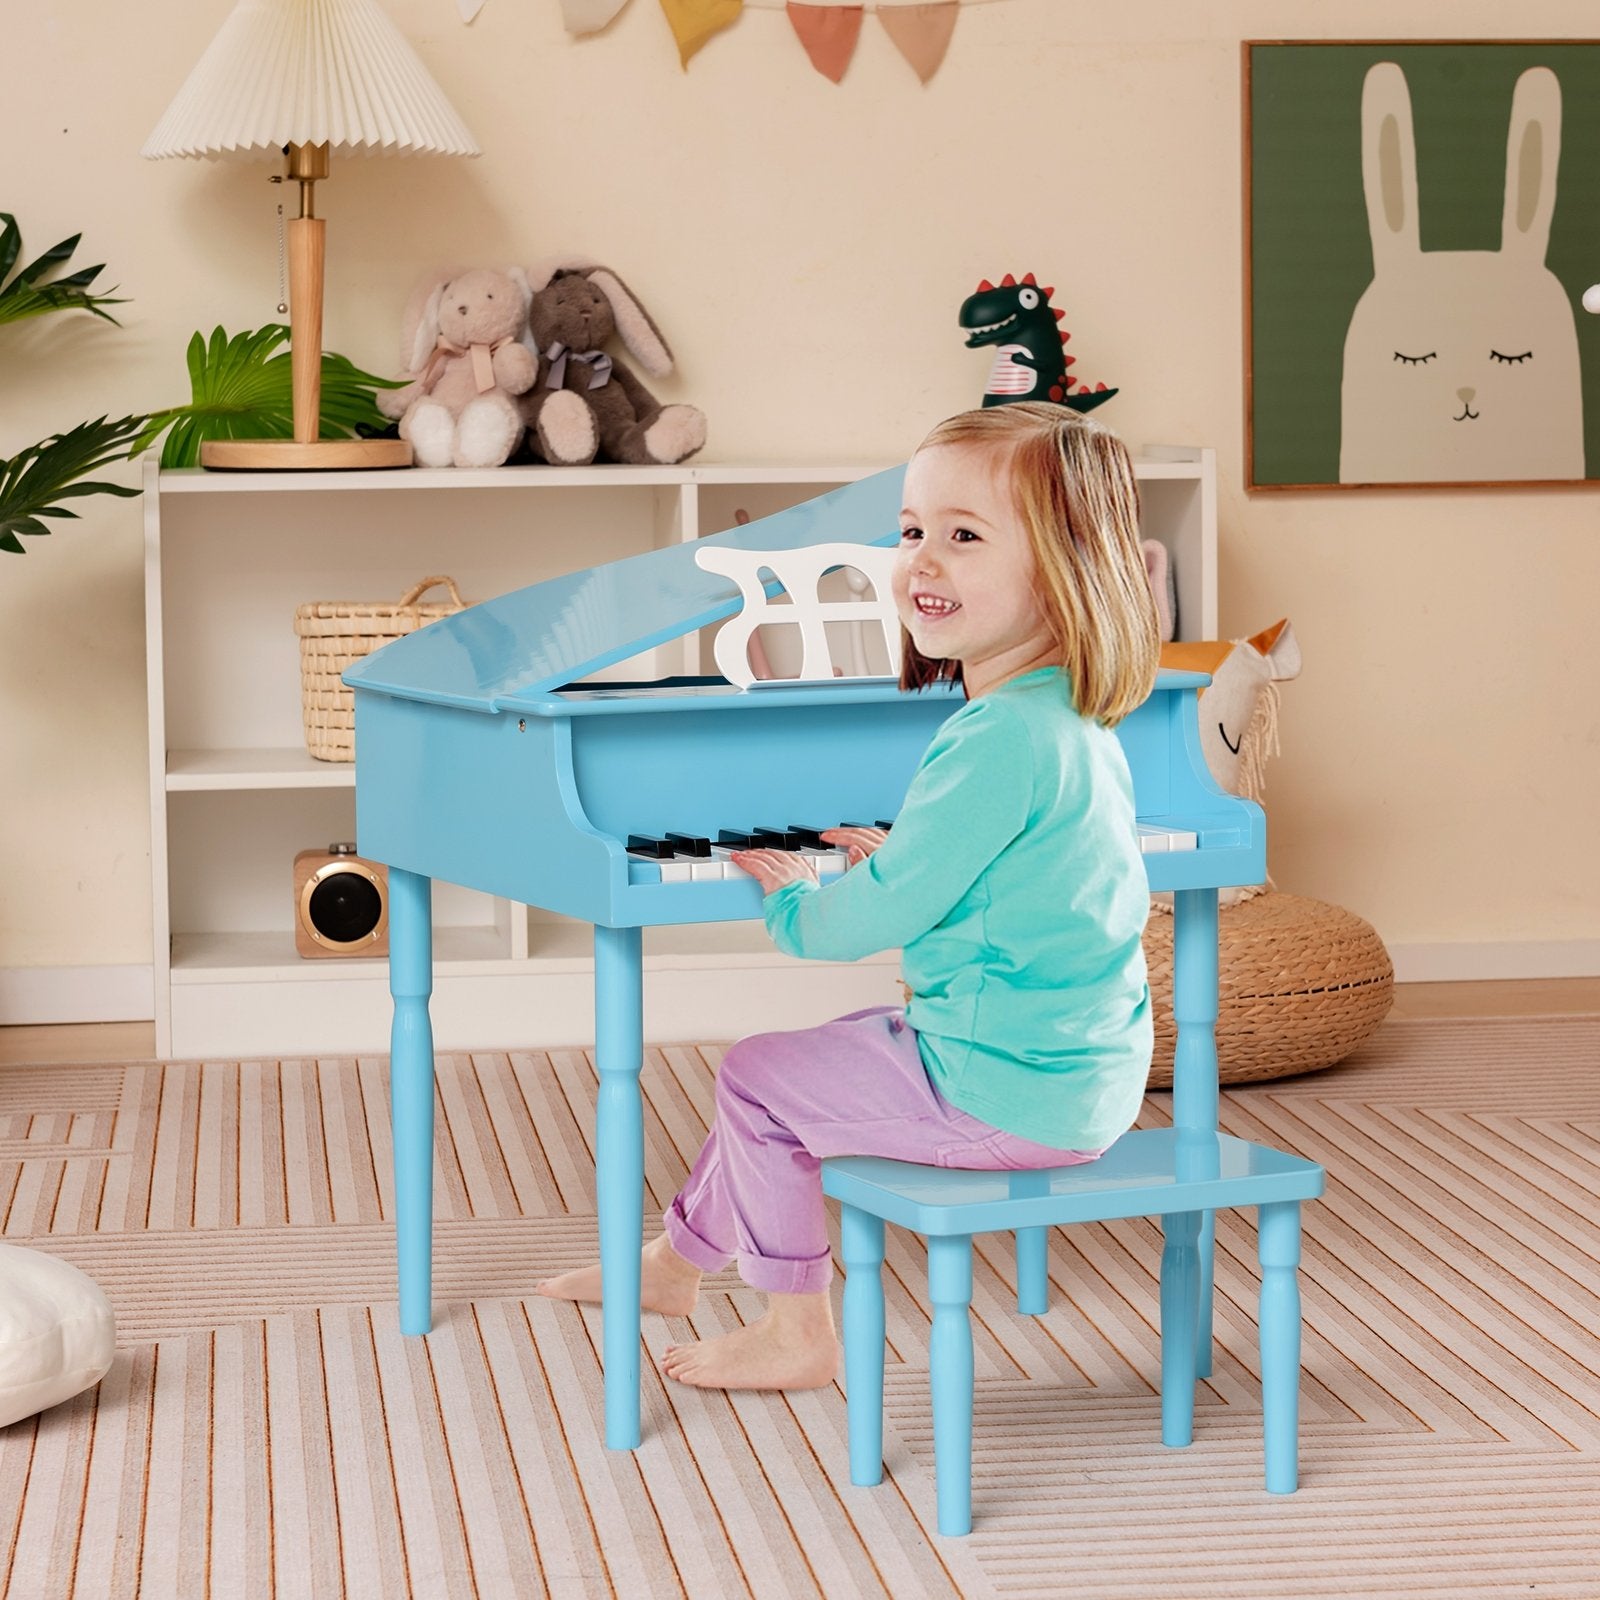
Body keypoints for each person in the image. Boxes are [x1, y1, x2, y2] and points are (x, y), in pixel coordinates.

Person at [536, 401, 1161, 1392]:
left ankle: (797, 1329)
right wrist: (919, 851)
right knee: (831, 1050)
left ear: (1065, 563)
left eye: (963, 536)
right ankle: (675, 1264)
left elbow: (861, 923)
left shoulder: (993, 736)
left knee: (755, 1075)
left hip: (1008, 1085)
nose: (921, 561)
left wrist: (794, 900)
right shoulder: (1068, 716)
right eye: (912, 532)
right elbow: (1038, 874)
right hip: (1082, 1067)